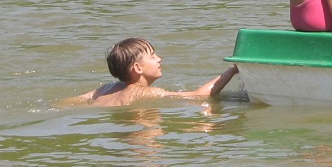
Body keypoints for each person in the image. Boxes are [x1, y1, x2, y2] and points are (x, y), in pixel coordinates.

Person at [69, 38, 239, 107]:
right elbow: (198, 96)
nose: (159, 59)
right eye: (153, 56)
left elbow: (70, 102)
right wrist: (232, 71)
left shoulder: (106, 89)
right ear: (138, 68)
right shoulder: (145, 93)